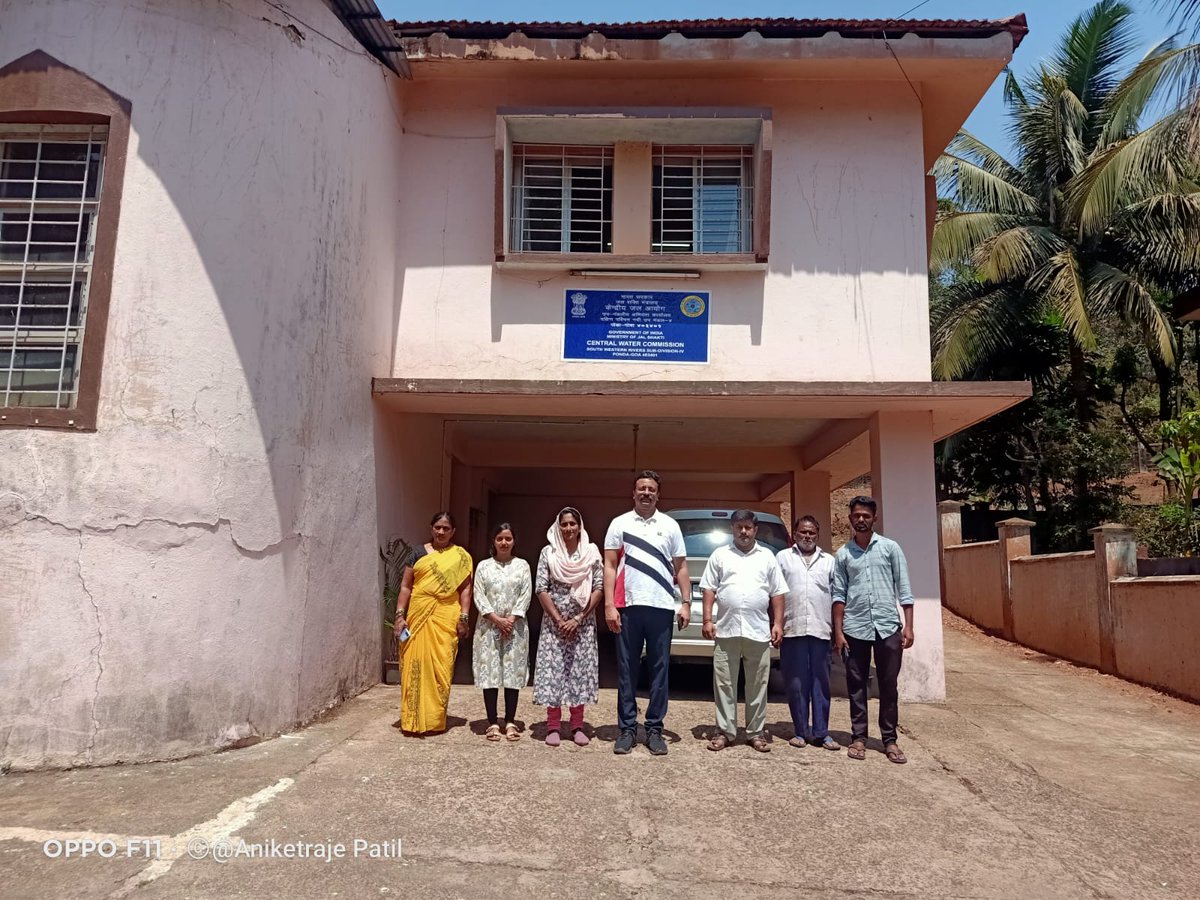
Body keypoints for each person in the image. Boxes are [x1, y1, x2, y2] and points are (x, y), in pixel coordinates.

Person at [604, 471, 691, 756]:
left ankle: (654, 729)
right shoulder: (619, 523)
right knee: (627, 671)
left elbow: (680, 568)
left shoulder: (670, 526)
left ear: (658, 494)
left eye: (651, 489)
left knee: (659, 671)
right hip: (627, 607)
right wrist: (609, 606)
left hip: (662, 607)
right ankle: (627, 729)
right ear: (633, 493)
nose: (645, 493)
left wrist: (686, 603)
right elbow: (610, 566)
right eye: (641, 488)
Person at [831, 496, 915, 764]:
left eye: (866, 515)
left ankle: (889, 740)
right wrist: (839, 632)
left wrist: (909, 626)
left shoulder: (890, 549)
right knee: (856, 685)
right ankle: (858, 737)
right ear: (850, 519)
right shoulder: (843, 554)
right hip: (855, 628)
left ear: (874, 518)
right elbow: (838, 595)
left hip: (888, 627)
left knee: (889, 686)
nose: (861, 519)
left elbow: (904, 589)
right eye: (856, 515)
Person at [699, 509, 787, 752]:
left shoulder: (767, 557)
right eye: (739, 527)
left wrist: (777, 623)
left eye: (748, 527)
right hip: (726, 630)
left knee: (757, 684)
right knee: (724, 684)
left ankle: (755, 732)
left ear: (755, 529)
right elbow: (708, 589)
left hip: (758, 631)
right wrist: (707, 620)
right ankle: (725, 731)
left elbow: (777, 592)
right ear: (732, 529)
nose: (744, 532)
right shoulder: (720, 555)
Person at [393, 512, 473, 735]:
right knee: (414, 664)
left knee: (443, 666)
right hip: (419, 614)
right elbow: (406, 586)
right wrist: (400, 615)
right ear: (431, 528)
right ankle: (412, 720)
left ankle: (434, 720)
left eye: (446, 528)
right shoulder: (417, 553)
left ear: (453, 532)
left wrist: (464, 617)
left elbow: (465, 588)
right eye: (437, 527)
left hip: (446, 616)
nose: (441, 532)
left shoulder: (460, 557)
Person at [533, 507, 603, 747]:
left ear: (580, 526)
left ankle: (576, 726)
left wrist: (579, 618)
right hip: (554, 624)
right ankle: (553, 726)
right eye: (564, 524)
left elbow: (599, 587)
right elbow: (541, 587)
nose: (569, 528)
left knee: (578, 672)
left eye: (573, 524)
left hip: (582, 625)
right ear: (558, 526)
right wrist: (559, 619)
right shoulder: (548, 553)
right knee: (554, 672)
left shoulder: (591, 553)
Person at [776, 515, 840, 751]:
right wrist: (777, 624)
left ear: (818, 535)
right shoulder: (782, 558)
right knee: (796, 683)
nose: (807, 536)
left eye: (811, 533)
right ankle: (801, 731)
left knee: (820, 683)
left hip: (821, 630)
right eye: (803, 532)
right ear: (794, 534)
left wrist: (837, 631)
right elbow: (775, 594)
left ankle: (822, 733)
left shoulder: (829, 562)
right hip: (792, 630)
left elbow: (837, 598)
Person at [472, 522, 532, 742]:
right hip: (488, 628)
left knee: (511, 675)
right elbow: (479, 595)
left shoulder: (523, 565)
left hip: (514, 628)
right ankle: (492, 722)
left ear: (514, 540)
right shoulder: (483, 566)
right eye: (500, 539)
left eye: (508, 538)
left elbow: (526, 594)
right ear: (493, 541)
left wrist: (511, 619)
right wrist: (497, 620)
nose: (504, 543)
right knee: (490, 674)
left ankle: (510, 721)